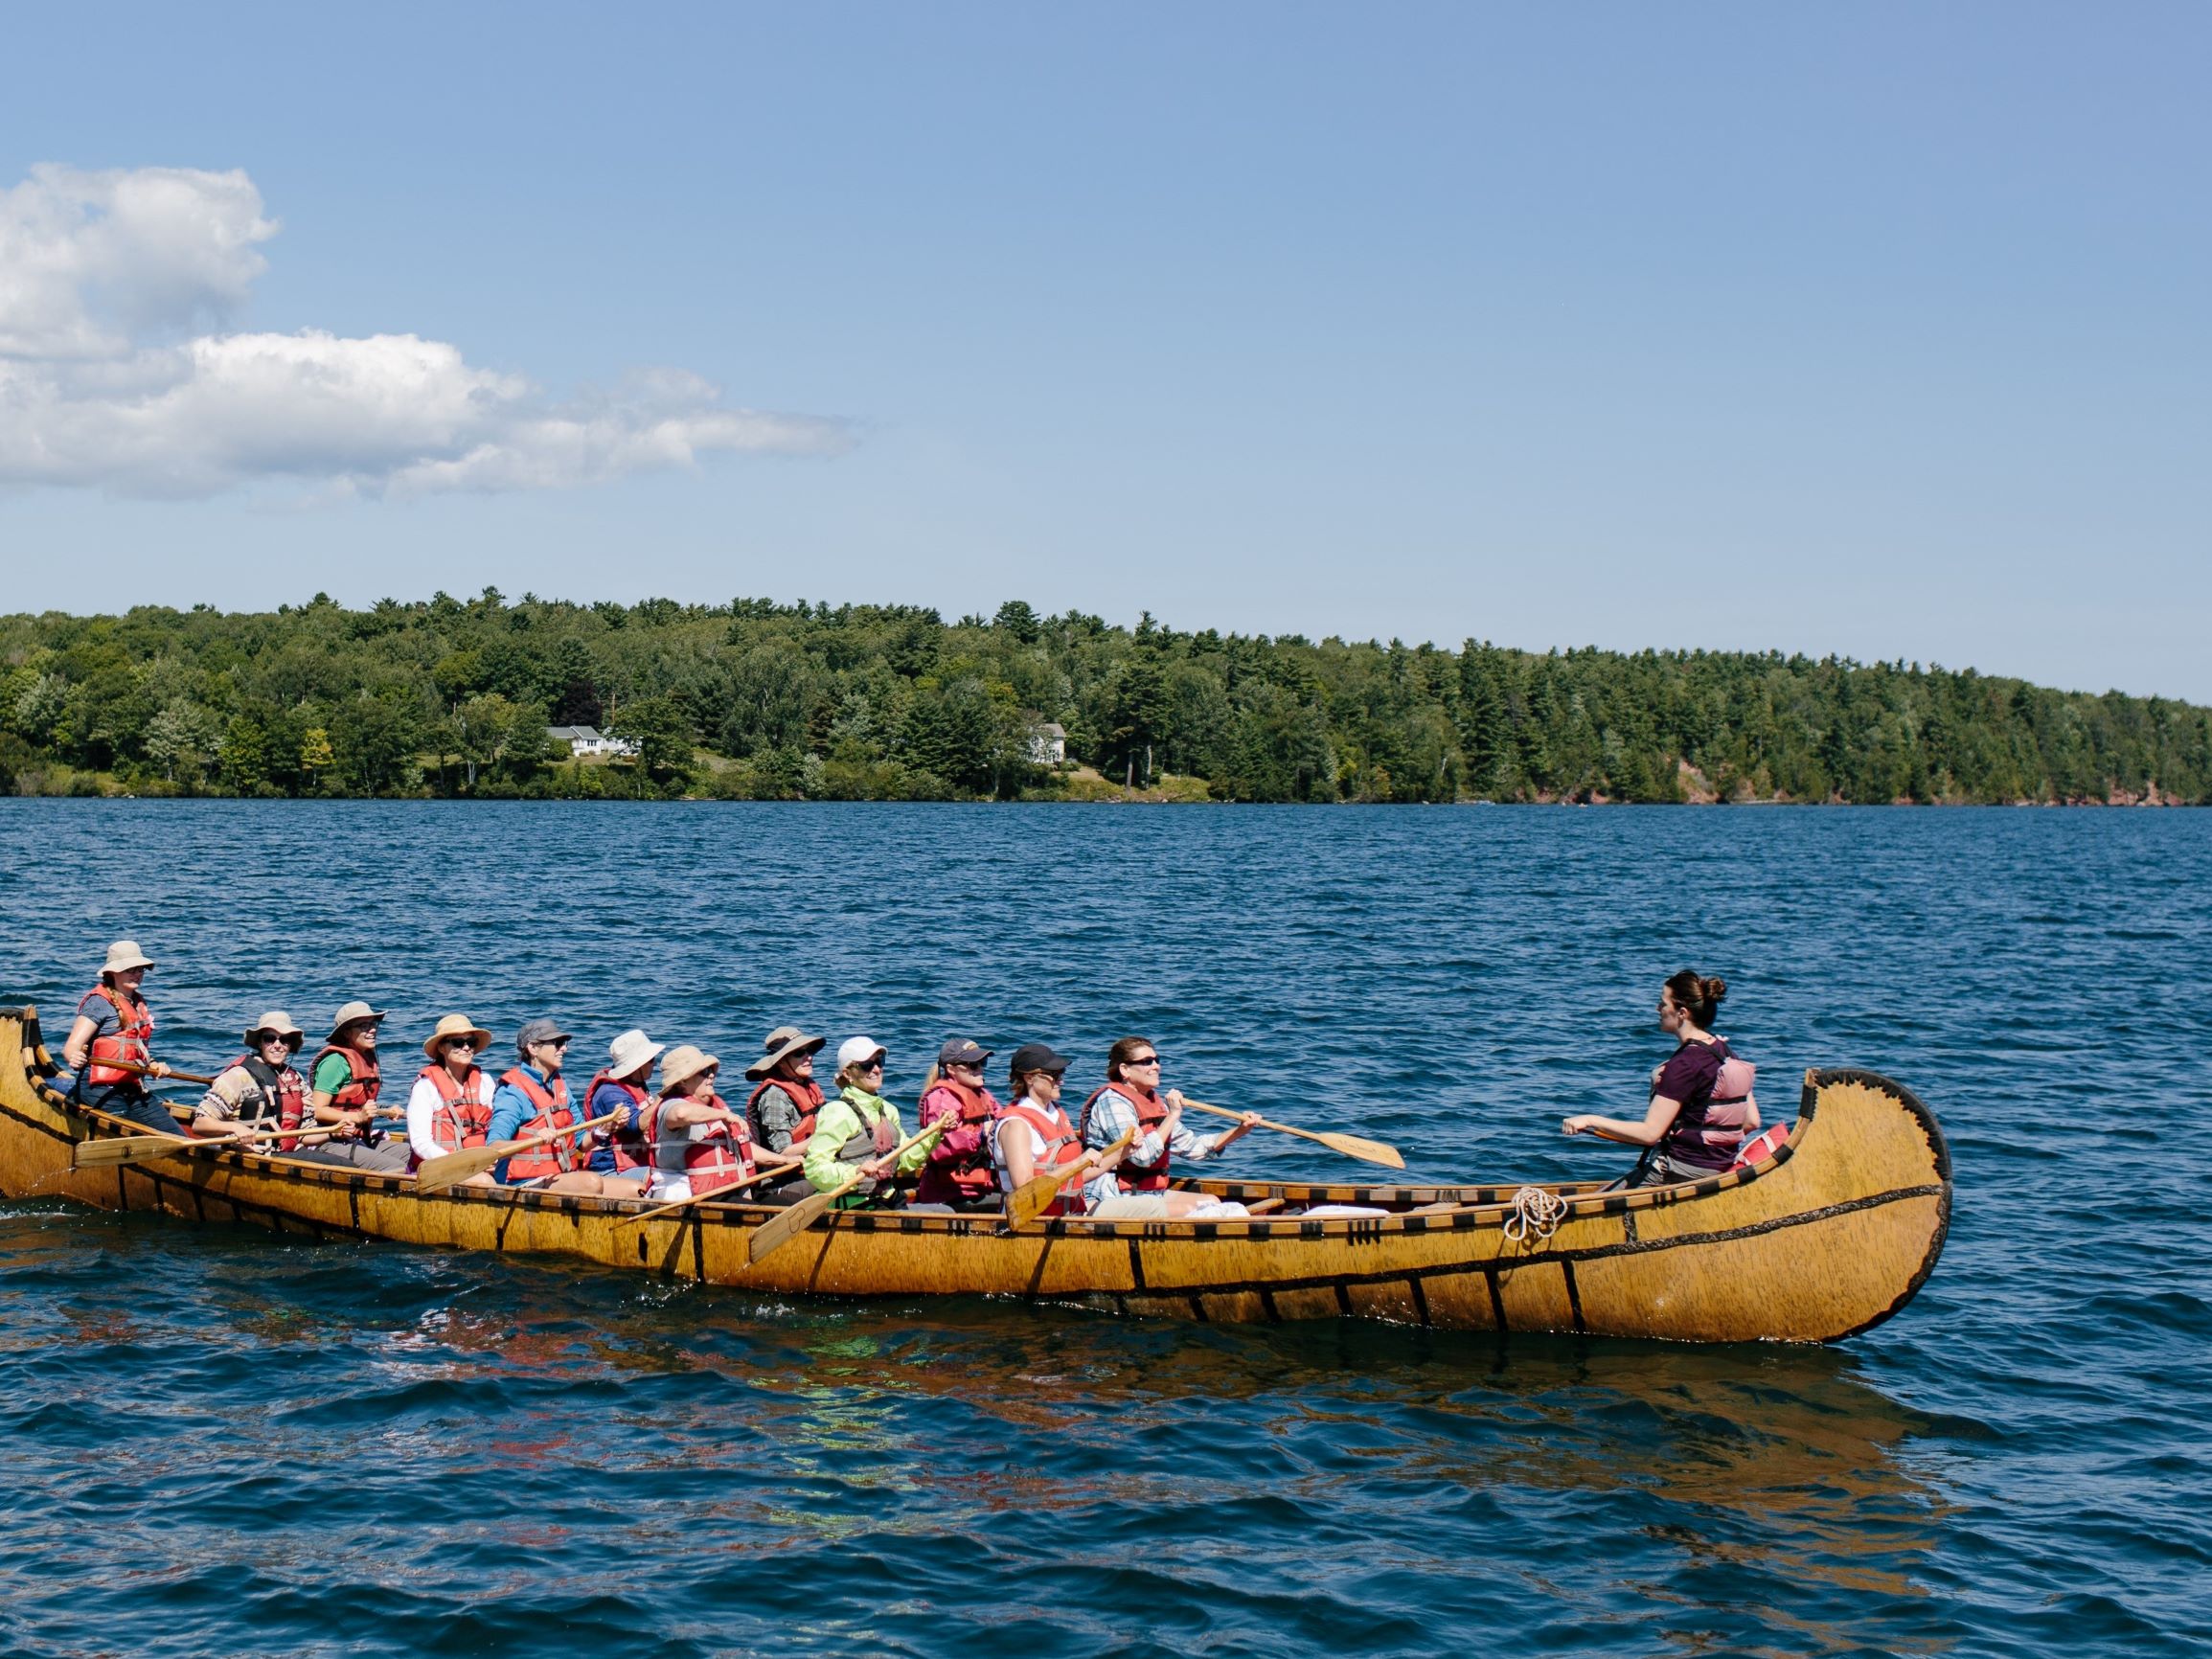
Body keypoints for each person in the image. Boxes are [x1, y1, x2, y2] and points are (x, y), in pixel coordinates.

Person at [1562, 970, 1755, 1187]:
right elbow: (1751, 1121)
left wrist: (1589, 1120)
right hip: (1718, 1168)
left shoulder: (1684, 1064)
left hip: (1678, 1170)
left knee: (1596, 1206)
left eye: (1663, 1003)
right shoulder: (1725, 1052)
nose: (1658, 1009)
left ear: (1682, 1013)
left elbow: (1650, 1134)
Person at [1077, 1037, 1260, 1219]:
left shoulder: (1153, 1103)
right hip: (1110, 1195)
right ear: (1125, 1070)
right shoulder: (1112, 1102)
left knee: (1211, 1201)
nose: (1156, 1066)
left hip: (1146, 1193)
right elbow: (1142, 1157)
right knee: (1201, 1212)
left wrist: (1239, 1131)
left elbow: (1193, 1147)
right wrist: (1172, 1115)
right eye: (1147, 1062)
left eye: (1157, 1060)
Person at [801, 1036, 935, 1208]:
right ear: (848, 1074)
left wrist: (934, 1133)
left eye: (879, 1062)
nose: (877, 1069)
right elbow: (815, 1169)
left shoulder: (888, 1110)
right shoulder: (838, 1112)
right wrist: (855, 1172)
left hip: (888, 1199)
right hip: (854, 1206)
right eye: (867, 1065)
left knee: (945, 1210)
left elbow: (905, 1160)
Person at [656, 1044, 801, 1201]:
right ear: (682, 1082)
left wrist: (785, 1160)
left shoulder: (714, 1106)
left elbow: (743, 1148)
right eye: (704, 1072)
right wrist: (725, 1116)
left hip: (730, 1189)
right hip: (692, 1195)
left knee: (784, 1205)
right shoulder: (669, 1106)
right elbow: (681, 1113)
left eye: (711, 1070)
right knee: (753, 1212)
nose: (711, 1075)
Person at [993, 1043, 1120, 1218]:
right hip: (1034, 1222)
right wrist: (1078, 1162)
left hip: (1069, 1215)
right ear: (1030, 1078)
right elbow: (1023, 1188)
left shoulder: (1055, 1113)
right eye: (1054, 1075)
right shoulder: (1016, 1126)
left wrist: (1125, 1151)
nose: (1061, 1081)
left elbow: (1076, 1177)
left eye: (1061, 1074)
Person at [488, 1018, 613, 1194]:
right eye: (557, 1043)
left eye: (564, 1043)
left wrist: (604, 1130)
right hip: (522, 1183)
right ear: (533, 1049)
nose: (564, 1049)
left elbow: (580, 1143)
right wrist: (533, 1140)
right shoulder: (513, 1092)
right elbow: (494, 1146)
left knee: (634, 1189)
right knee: (591, 1182)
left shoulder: (560, 1085)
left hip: (561, 1176)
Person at [63, 941, 177, 1135]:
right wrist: (74, 1056)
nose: (137, 974)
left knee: (175, 1136)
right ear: (113, 972)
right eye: (130, 969)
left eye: (140, 969)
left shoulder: (137, 1003)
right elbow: (71, 1047)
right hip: (99, 1088)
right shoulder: (99, 1003)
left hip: (132, 1086)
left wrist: (155, 1064)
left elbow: (136, 1048)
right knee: (127, 1134)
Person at [300, 1001, 410, 1171]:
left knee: (416, 1155)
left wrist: (386, 1110)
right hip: (329, 1142)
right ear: (346, 1033)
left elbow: (357, 1103)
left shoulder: (366, 1057)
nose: (372, 1029)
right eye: (363, 1026)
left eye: (373, 1024)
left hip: (360, 1139)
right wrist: (358, 1117)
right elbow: (318, 1110)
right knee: (396, 1167)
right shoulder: (335, 1062)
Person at [405, 1014, 498, 1183]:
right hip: (438, 1169)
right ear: (441, 1048)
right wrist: (457, 1162)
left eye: (471, 1042)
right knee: (485, 1181)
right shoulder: (425, 1087)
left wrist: (493, 1156)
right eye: (458, 1042)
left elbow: (496, 1127)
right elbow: (420, 1143)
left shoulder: (485, 1081)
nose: (466, 1047)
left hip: (479, 1165)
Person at [912, 1038, 1004, 1210]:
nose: (980, 1069)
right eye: (972, 1064)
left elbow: (1004, 1120)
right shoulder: (941, 1098)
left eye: (982, 1063)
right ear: (951, 1069)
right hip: (948, 1193)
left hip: (980, 1188)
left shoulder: (984, 1095)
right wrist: (980, 1136)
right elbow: (939, 1148)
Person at [191, 1011, 307, 1143]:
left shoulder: (296, 1079)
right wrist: (235, 1127)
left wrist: (333, 1133)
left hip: (290, 1151)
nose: (278, 1045)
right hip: (250, 1152)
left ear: (290, 1045)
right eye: (270, 1039)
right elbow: (199, 1124)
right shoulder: (238, 1076)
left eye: (284, 1039)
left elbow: (306, 1132)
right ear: (259, 1043)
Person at [743, 1026, 828, 1199]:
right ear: (781, 1062)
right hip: (781, 1183)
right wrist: (825, 1136)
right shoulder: (775, 1096)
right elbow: (784, 1153)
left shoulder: (807, 1086)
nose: (809, 1057)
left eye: (809, 1051)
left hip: (811, 1169)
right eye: (799, 1053)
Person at [579, 1029, 664, 1195]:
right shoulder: (610, 1093)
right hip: (610, 1170)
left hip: (634, 1165)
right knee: (663, 1176)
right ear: (637, 1065)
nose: (655, 1064)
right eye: (651, 1060)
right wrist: (666, 1094)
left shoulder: (636, 1085)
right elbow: (635, 1125)